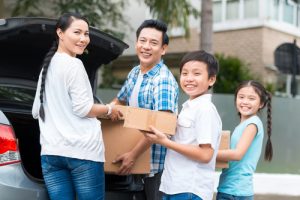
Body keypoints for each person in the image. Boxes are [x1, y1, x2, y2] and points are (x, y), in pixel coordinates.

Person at [32, 12, 122, 200]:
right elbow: (83, 108)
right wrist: (109, 109)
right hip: (82, 153)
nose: (83, 39)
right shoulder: (74, 65)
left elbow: (35, 112)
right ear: (60, 33)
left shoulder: (47, 68)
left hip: (51, 153)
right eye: (77, 32)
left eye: (86, 34)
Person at [111, 19, 179, 200]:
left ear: (163, 49)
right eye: (143, 40)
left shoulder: (162, 79)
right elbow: (119, 100)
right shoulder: (135, 72)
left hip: (155, 167)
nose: (146, 46)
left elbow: (161, 126)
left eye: (153, 43)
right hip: (135, 160)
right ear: (136, 43)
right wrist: (102, 112)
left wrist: (133, 155)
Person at [144, 50, 222, 200]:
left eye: (196, 74)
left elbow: (206, 154)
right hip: (173, 186)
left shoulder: (205, 109)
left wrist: (165, 142)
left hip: (189, 189)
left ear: (211, 80)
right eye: (185, 73)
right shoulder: (188, 108)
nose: (189, 79)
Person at [216, 80, 273, 200]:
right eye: (241, 97)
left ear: (261, 104)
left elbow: (237, 154)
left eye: (251, 98)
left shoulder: (252, 124)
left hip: (235, 192)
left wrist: (207, 153)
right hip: (231, 190)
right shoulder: (243, 125)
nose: (245, 102)